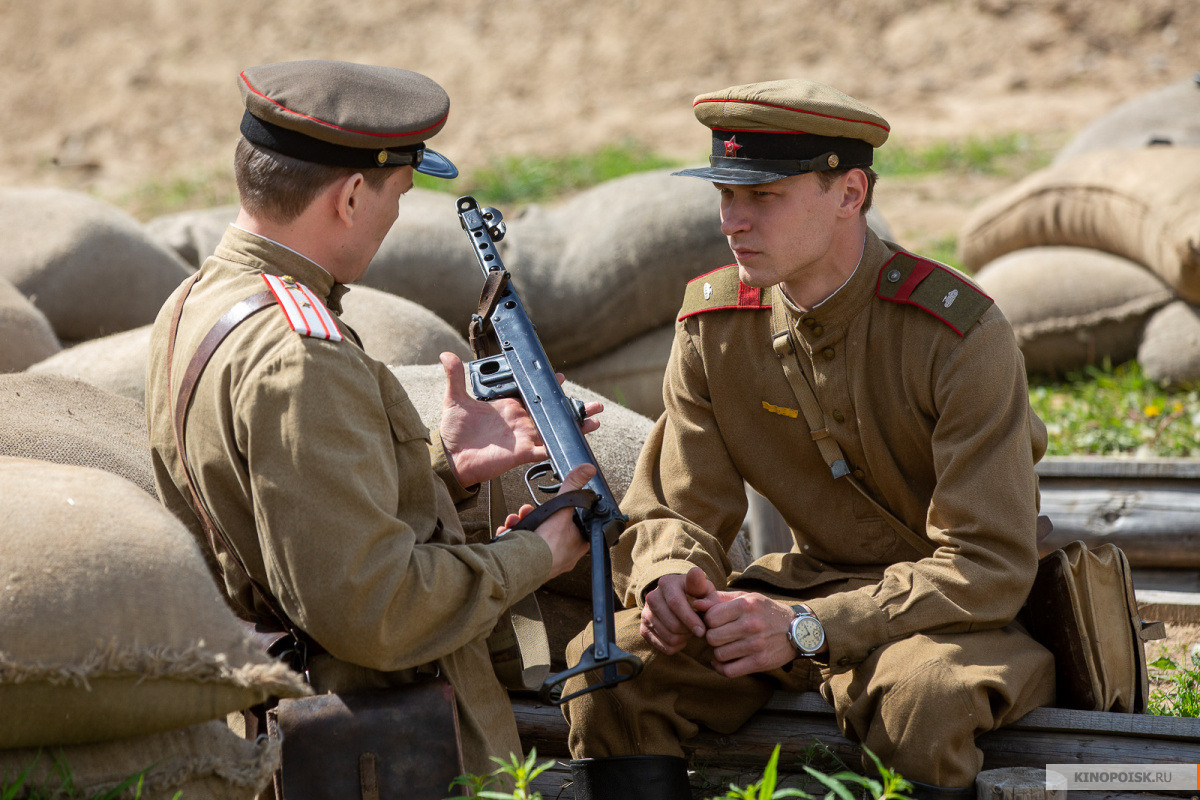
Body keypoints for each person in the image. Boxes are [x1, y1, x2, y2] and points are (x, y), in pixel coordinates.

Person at [561, 79, 1056, 800]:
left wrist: (809, 627)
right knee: (612, 664)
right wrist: (670, 576)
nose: (734, 221)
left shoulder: (958, 335)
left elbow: (988, 562)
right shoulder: (714, 326)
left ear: (849, 194)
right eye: (725, 195)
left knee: (925, 696)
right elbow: (677, 507)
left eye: (764, 197)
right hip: (805, 589)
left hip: (955, 612)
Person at [144, 59, 600, 777]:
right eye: (398, 193)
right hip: (383, 751)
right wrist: (539, 554)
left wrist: (440, 473)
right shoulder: (301, 354)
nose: (394, 217)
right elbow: (374, 611)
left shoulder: (196, 302)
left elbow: (287, 524)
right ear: (352, 196)